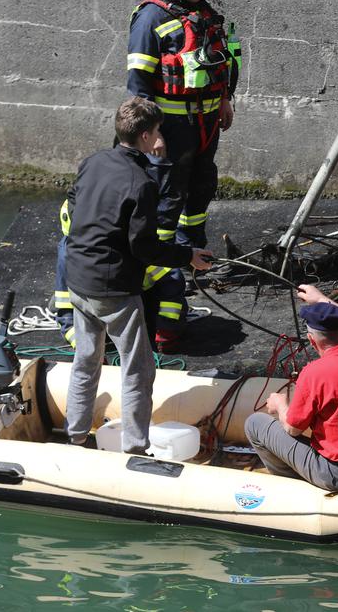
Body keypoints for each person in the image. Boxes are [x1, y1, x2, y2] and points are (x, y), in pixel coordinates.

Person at [64, 97, 214, 454]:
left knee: (86, 358)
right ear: (147, 136)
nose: (161, 137)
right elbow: (144, 247)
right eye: (158, 131)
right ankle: (134, 448)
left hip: (78, 278)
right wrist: (187, 256)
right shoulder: (140, 182)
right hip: (113, 289)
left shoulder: (93, 162)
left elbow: (73, 202)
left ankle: (75, 435)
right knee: (138, 368)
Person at [127, 0, 242, 350]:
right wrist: (150, 132)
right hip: (171, 128)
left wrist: (225, 100)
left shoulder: (207, 15)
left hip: (207, 123)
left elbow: (223, 62)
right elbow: (138, 86)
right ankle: (161, 274)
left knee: (200, 194)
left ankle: (192, 261)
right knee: (167, 201)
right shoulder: (151, 20)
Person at [244, 285, 338, 491]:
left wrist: (279, 406)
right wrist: (320, 299)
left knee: (255, 423)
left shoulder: (313, 373)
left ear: (311, 340)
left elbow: (293, 428)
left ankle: (291, 485)